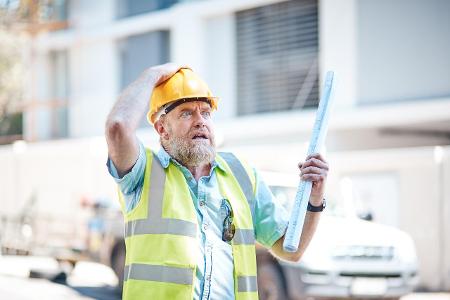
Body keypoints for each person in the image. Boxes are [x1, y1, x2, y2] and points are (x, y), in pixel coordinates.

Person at [105, 63, 329, 300]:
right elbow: (118, 126)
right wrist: (154, 74)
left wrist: (315, 200)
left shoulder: (242, 174)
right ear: (162, 129)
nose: (200, 121)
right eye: (187, 112)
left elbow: (291, 249)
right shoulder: (143, 171)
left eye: (206, 112)